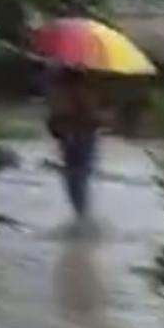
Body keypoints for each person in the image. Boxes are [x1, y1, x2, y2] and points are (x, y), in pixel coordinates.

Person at [47, 68, 100, 220]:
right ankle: (81, 217)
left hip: (78, 138)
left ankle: (81, 218)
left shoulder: (77, 92)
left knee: (76, 179)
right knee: (77, 180)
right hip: (76, 138)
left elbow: (89, 117)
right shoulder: (71, 93)